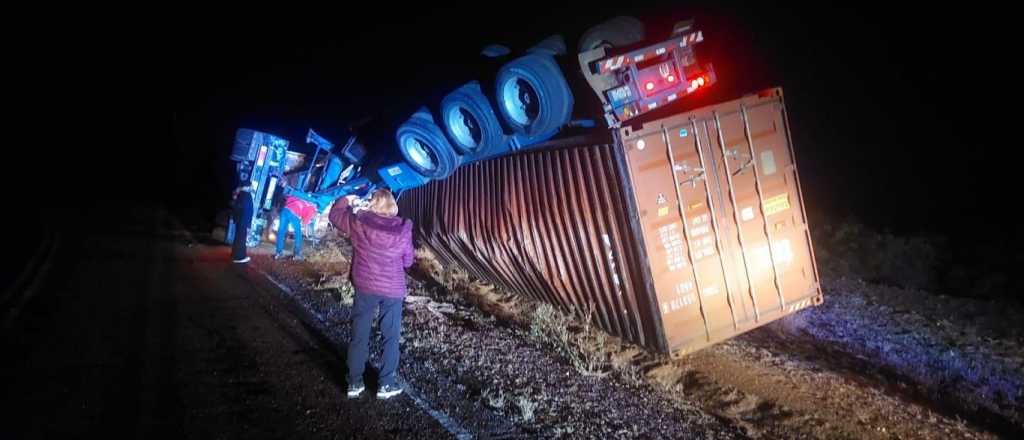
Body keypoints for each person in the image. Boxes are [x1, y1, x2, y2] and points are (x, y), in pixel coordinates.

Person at [329, 189, 414, 399]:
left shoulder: (360, 223)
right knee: (390, 336)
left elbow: (335, 215)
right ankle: (386, 384)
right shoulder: (402, 230)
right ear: (392, 205)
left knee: (360, 334)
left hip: (365, 286)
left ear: (373, 204)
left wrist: (347, 197)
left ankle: (355, 383)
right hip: (392, 289)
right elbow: (408, 261)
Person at [275, 194, 318, 260]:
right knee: (298, 234)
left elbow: (289, 199)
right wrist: (306, 231)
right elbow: (305, 223)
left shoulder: (302, 200)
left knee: (281, 232)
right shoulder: (313, 209)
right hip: (294, 214)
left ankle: (278, 253)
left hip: (284, 210)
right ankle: (297, 254)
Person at [231, 183, 254, 264]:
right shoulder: (246, 195)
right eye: (251, 186)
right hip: (243, 221)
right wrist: (248, 224)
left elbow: (236, 207)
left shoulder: (240, 194)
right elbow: (247, 211)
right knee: (241, 238)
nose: (252, 187)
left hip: (239, 220)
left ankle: (234, 255)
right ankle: (240, 257)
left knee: (238, 238)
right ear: (247, 187)